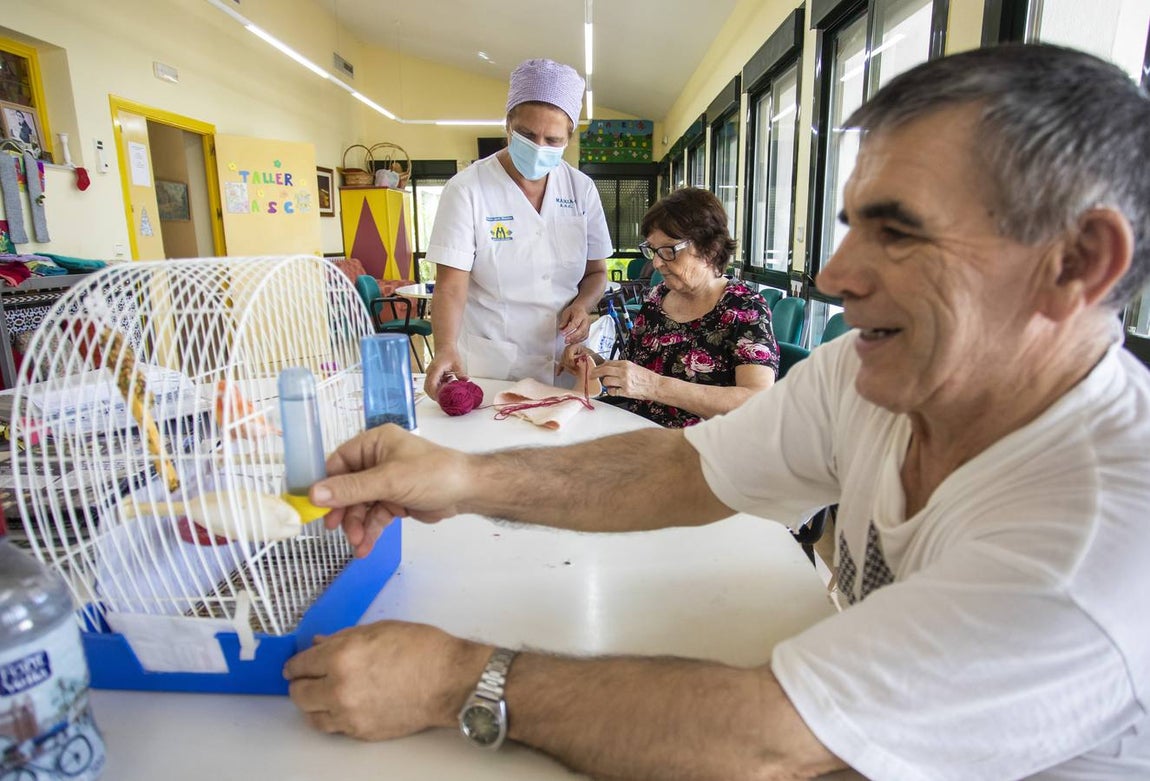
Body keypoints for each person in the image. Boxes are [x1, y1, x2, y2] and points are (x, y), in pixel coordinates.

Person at [284, 44, 1150, 779]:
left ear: (1077, 261)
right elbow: (689, 466)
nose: (833, 278)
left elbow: (769, 741)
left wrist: (454, 680)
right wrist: (463, 476)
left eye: (899, 230)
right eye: (849, 225)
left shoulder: (1091, 544)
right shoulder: (873, 375)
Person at [422, 58, 611, 396]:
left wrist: (582, 306)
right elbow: (450, 286)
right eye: (526, 134)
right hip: (492, 363)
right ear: (508, 125)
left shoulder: (581, 190)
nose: (539, 148)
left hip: (560, 360)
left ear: (569, 137)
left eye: (552, 140)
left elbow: (597, 272)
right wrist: (445, 347)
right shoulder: (467, 189)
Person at [561, 187, 778, 427]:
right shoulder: (657, 298)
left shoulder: (744, 309)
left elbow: (758, 401)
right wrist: (595, 364)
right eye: (653, 250)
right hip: (637, 433)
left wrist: (655, 387)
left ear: (710, 249)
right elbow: (636, 377)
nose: (656, 262)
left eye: (668, 251)